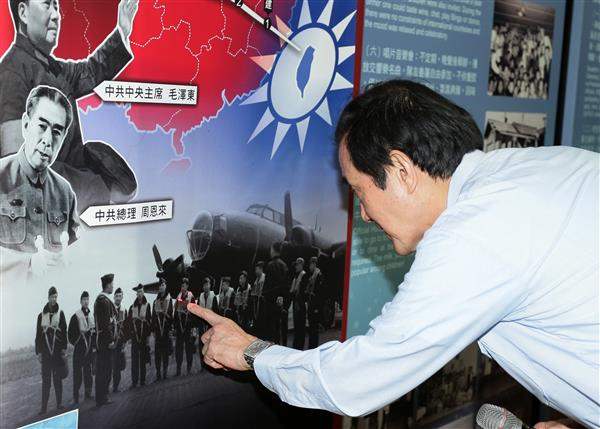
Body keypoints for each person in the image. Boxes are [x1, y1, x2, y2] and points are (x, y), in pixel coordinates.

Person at [188, 80, 599, 429]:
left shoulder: (474, 234)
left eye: (359, 191)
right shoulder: (544, 165)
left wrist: (250, 352)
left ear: (401, 171)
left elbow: (355, 380)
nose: (364, 214)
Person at [1, 0, 139, 209]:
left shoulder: (53, 68)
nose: (56, 15)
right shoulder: (12, 73)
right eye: (47, 5)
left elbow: (90, 72)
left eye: (57, 7)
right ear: (23, 12)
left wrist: (122, 32)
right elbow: (20, 173)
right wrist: (97, 190)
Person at [0, 86, 79, 273]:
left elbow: (77, 252)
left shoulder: (65, 193)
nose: (48, 140)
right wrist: (27, 264)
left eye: (57, 132)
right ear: (26, 125)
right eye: (42, 126)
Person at [35, 286, 67, 414]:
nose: (54, 299)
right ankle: (43, 408)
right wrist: (38, 352)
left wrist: (64, 348)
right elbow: (38, 335)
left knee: (58, 379)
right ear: (48, 297)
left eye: (56, 297)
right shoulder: (41, 316)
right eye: (52, 297)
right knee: (46, 381)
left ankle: (59, 404)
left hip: (57, 352)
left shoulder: (61, 314)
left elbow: (64, 332)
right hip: (46, 353)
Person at [67, 290, 95, 404]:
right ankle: (76, 397)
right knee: (77, 374)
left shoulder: (91, 315)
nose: (86, 302)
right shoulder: (75, 316)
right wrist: (77, 342)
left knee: (88, 372)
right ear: (80, 301)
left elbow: (94, 332)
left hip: (89, 349)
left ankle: (88, 394)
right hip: (79, 350)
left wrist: (93, 346)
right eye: (84, 300)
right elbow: (70, 334)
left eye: (87, 299)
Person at [93, 273, 117, 406]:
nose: (113, 286)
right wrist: (111, 340)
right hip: (105, 341)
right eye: (112, 284)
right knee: (106, 370)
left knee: (101, 370)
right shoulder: (104, 301)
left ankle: (100, 398)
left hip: (100, 340)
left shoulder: (99, 300)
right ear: (108, 285)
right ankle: (103, 397)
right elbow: (106, 323)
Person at [262, 242, 289, 345]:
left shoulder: (270, 265)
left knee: (271, 329)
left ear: (273, 250)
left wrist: (265, 295)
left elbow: (267, 285)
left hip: (270, 302)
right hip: (280, 303)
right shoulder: (284, 265)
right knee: (279, 328)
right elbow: (286, 285)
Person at [128, 284, 151, 388]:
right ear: (136, 294)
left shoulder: (147, 305)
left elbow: (149, 320)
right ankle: (134, 382)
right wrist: (130, 335)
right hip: (134, 337)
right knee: (134, 360)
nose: (139, 294)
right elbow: (129, 322)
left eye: (141, 291)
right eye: (138, 292)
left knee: (143, 359)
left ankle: (142, 380)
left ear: (143, 292)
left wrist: (148, 336)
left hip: (143, 337)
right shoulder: (132, 307)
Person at [174, 277, 196, 376]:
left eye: (184, 285)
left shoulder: (191, 296)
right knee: (178, 349)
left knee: (188, 348)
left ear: (187, 286)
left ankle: (189, 368)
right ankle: (178, 369)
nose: (183, 287)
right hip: (180, 327)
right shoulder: (178, 297)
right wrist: (175, 326)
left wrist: (193, 328)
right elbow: (175, 313)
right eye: (182, 286)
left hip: (188, 326)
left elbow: (195, 312)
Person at [152, 279, 173, 381]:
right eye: (160, 285)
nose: (161, 287)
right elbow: (153, 317)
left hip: (166, 330)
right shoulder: (155, 301)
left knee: (165, 353)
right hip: (157, 331)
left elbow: (171, 316)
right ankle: (158, 373)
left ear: (166, 286)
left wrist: (166, 314)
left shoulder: (169, 300)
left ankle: (165, 372)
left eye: (163, 285)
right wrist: (153, 331)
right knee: (157, 354)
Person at [306, 256, 325, 349]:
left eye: (310, 264)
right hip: (311, 304)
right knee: (311, 328)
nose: (309, 266)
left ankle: (313, 347)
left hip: (315, 306)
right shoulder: (312, 275)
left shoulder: (319, 275)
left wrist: (317, 308)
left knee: (314, 329)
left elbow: (320, 293)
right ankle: (311, 346)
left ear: (314, 264)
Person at [289, 258, 308, 350]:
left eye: (297, 265)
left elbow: (303, 292)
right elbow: (292, 291)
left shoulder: (304, 275)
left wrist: (299, 302)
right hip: (296, 302)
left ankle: (299, 346)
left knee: (300, 326)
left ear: (301, 265)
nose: (296, 267)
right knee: (297, 326)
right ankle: (296, 345)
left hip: (300, 303)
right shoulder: (296, 276)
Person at [112, 287, 127, 393]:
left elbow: (126, 327)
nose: (118, 298)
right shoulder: (110, 309)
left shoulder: (124, 310)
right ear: (114, 297)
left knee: (118, 366)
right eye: (116, 296)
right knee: (109, 366)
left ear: (122, 297)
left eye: (120, 296)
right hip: (111, 342)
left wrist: (124, 342)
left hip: (120, 342)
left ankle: (115, 387)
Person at [249, 261, 265, 334]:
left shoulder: (264, 278)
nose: (255, 271)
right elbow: (253, 292)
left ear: (261, 269)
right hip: (256, 303)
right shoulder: (256, 280)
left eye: (257, 269)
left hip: (262, 303)